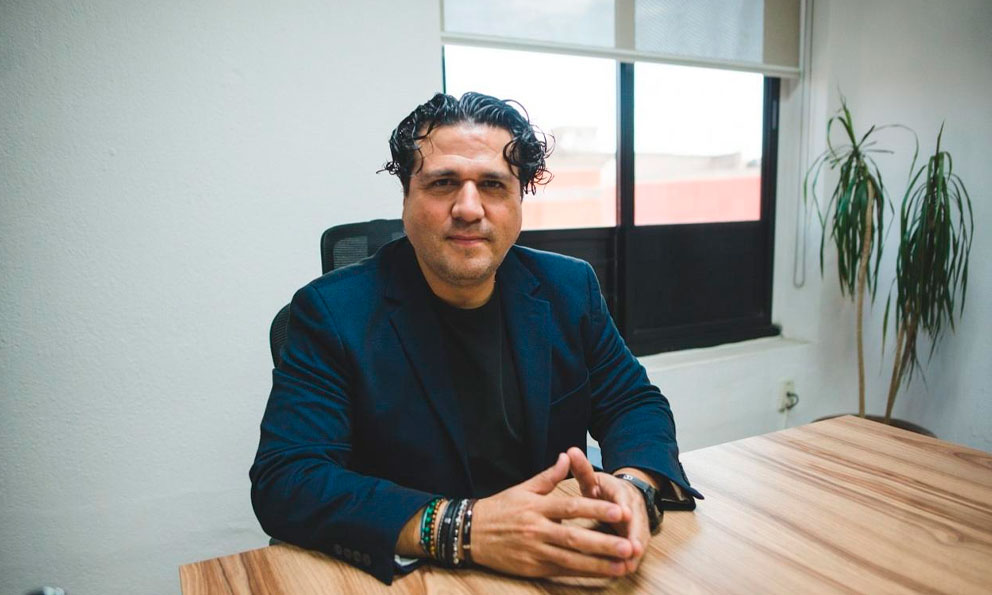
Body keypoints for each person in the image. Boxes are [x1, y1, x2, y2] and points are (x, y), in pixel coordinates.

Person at [249, 92, 701, 585]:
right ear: (406, 198)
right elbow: (288, 478)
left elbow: (632, 402)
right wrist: (462, 527)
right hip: (421, 573)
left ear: (519, 200)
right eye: (443, 183)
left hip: (550, 563)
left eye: (493, 185)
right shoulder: (331, 312)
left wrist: (635, 486)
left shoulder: (570, 288)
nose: (469, 208)